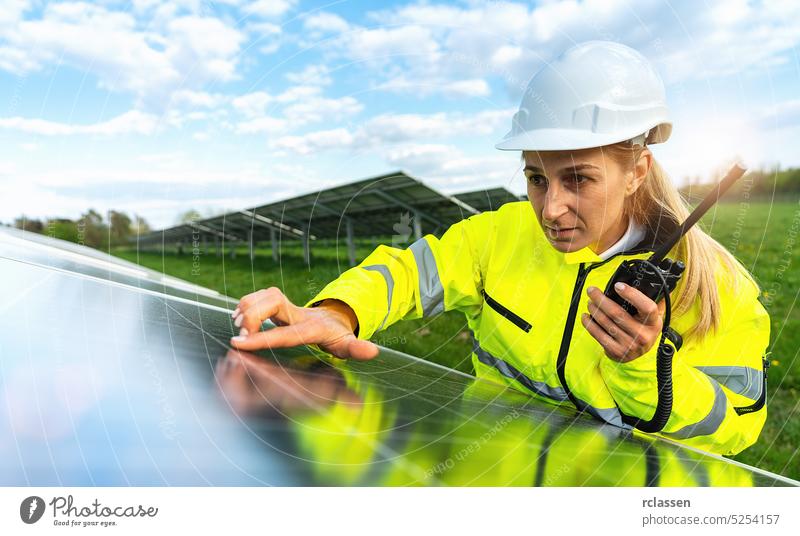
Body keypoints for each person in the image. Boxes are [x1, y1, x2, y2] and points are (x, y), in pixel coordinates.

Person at [229, 41, 771, 456]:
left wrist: (646, 369)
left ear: (637, 172)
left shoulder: (718, 289)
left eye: (578, 180)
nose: (550, 209)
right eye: (536, 178)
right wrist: (339, 312)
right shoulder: (499, 235)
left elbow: (738, 430)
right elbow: (408, 273)